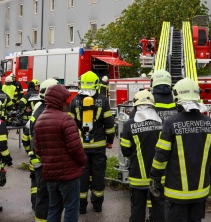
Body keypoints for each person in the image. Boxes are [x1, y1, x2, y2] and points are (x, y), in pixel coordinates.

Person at [149, 78, 211, 222]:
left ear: (177, 96)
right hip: (200, 192)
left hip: (176, 193)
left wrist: (155, 178)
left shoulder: (171, 123)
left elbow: (161, 156)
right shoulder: (208, 123)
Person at [34, 84, 87, 222]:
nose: (67, 103)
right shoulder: (66, 119)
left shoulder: (39, 120)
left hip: (50, 175)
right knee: (71, 209)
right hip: (69, 175)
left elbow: (37, 149)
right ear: (59, 100)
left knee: (54, 208)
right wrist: (83, 162)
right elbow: (75, 148)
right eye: (65, 100)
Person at [68, 70, 115, 213]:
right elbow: (109, 123)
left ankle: (81, 207)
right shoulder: (103, 99)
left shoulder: (75, 100)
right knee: (98, 175)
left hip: (81, 146)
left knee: (81, 176)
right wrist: (110, 140)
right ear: (96, 84)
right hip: (99, 146)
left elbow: (70, 124)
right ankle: (97, 205)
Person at [121, 90, 164, 222]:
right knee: (159, 209)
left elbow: (126, 151)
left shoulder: (129, 125)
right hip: (158, 176)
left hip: (137, 177)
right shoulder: (162, 123)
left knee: (137, 209)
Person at [22, 78, 56, 220]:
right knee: (44, 193)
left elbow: (26, 133)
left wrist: (29, 152)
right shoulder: (45, 112)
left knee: (37, 186)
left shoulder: (38, 109)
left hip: (36, 158)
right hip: (43, 161)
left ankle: (35, 205)